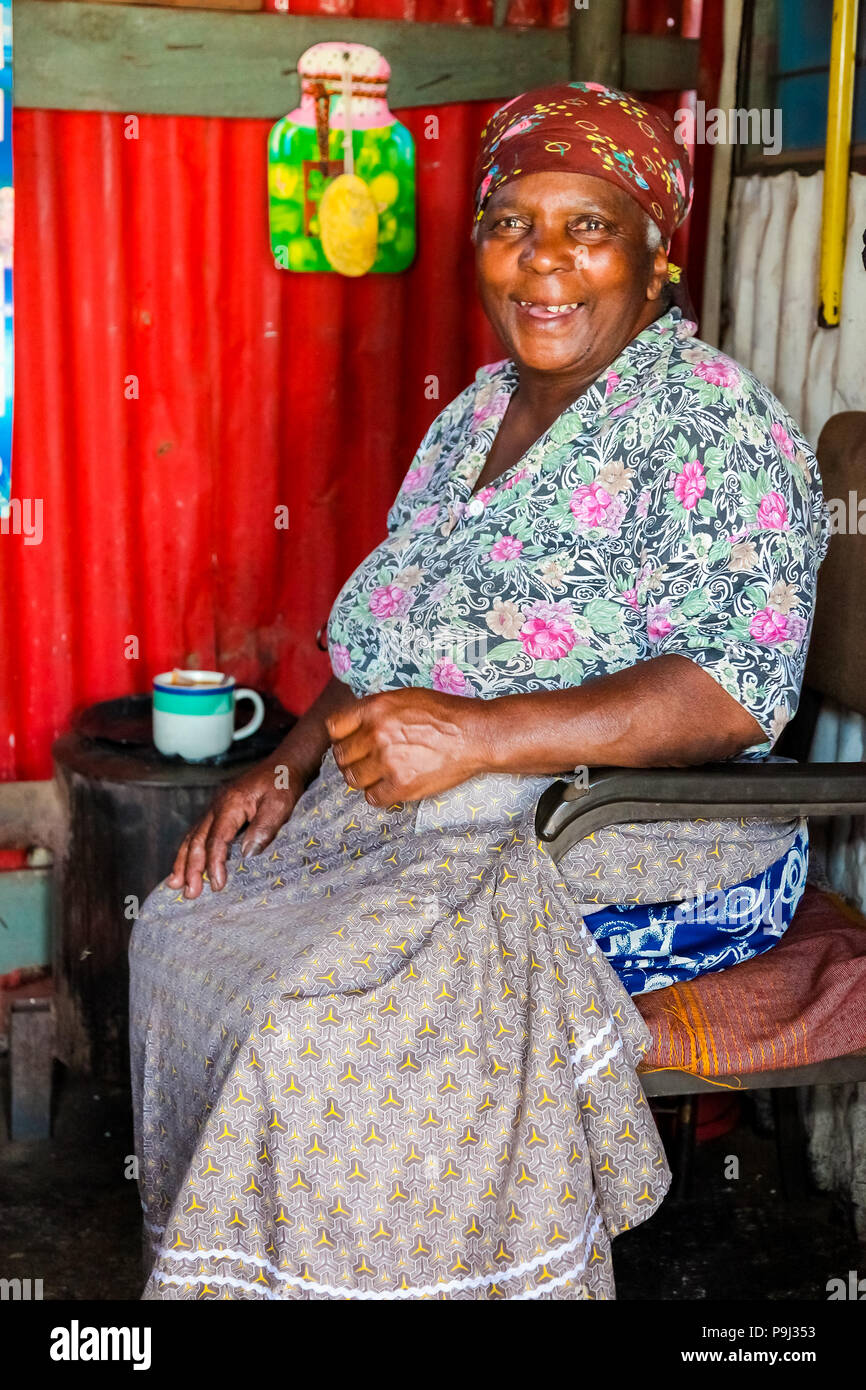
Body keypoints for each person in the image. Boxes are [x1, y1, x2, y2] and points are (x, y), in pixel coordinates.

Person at [130, 82, 827, 1300]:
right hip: (451, 798)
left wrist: (476, 735)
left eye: (587, 226)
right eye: (511, 224)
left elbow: (732, 689)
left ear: (653, 257)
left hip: (649, 834)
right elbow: (392, 640)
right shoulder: (472, 417)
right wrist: (287, 765)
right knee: (189, 924)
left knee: (318, 1026)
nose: (542, 262)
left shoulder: (715, 425)